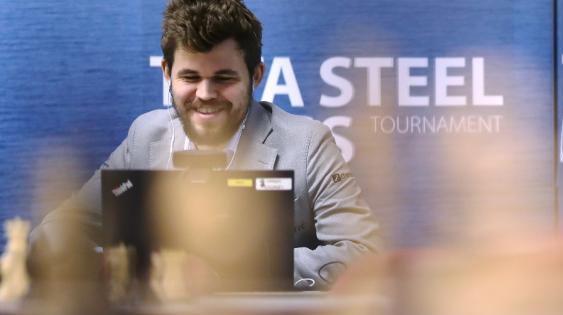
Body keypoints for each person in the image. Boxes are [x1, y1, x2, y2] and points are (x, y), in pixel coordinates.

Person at [30, 0, 381, 290]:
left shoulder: (307, 143)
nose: (205, 94)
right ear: (167, 72)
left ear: (256, 75)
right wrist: (107, 267)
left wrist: (227, 273)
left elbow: (364, 253)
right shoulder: (145, 136)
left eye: (224, 78)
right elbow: (56, 231)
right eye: (190, 77)